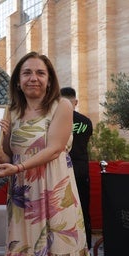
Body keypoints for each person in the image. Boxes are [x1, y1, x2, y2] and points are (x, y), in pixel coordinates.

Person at [0, 51, 89, 255]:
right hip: (23, 194)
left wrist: (18, 167)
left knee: (59, 245)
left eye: (40, 73)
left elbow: (54, 149)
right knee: (24, 247)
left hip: (55, 187)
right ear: (18, 81)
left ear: (49, 80)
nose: (33, 78)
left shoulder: (61, 105)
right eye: (26, 73)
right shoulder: (12, 111)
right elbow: (10, 156)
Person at [60, 86, 93, 249]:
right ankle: (86, 245)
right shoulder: (86, 121)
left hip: (62, 169)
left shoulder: (56, 120)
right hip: (81, 169)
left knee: (62, 210)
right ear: (76, 102)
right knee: (84, 209)